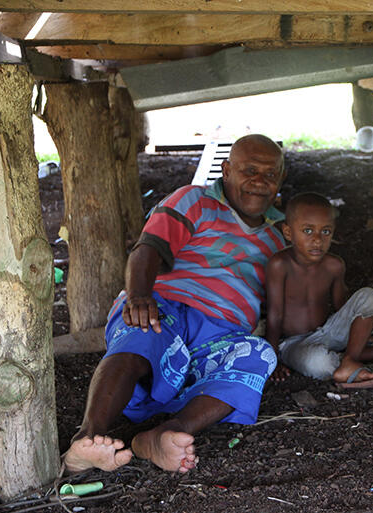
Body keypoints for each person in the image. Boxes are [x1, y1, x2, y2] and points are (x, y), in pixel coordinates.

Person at [62, 134, 287, 474]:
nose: (259, 181)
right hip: (167, 308)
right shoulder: (194, 200)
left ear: (280, 182)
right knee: (142, 332)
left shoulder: (277, 238)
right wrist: (139, 295)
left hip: (220, 336)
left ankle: (168, 433)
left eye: (270, 175)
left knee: (259, 356)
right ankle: (87, 439)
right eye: (249, 170)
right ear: (226, 170)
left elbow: (285, 300)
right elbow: (148, 248)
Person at [265, 192, 373, 388]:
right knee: (318, 364)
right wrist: (271, 360)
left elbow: (343, 306)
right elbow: (275, 314)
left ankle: (350, 360)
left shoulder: (334, 265)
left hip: (329, 331)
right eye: (307, 231)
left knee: (369, 295)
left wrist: (369, 323)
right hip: (293, 343)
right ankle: (367, 354)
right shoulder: (279, 265)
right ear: (288, 232)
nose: (317, 240)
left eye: (325, 232)